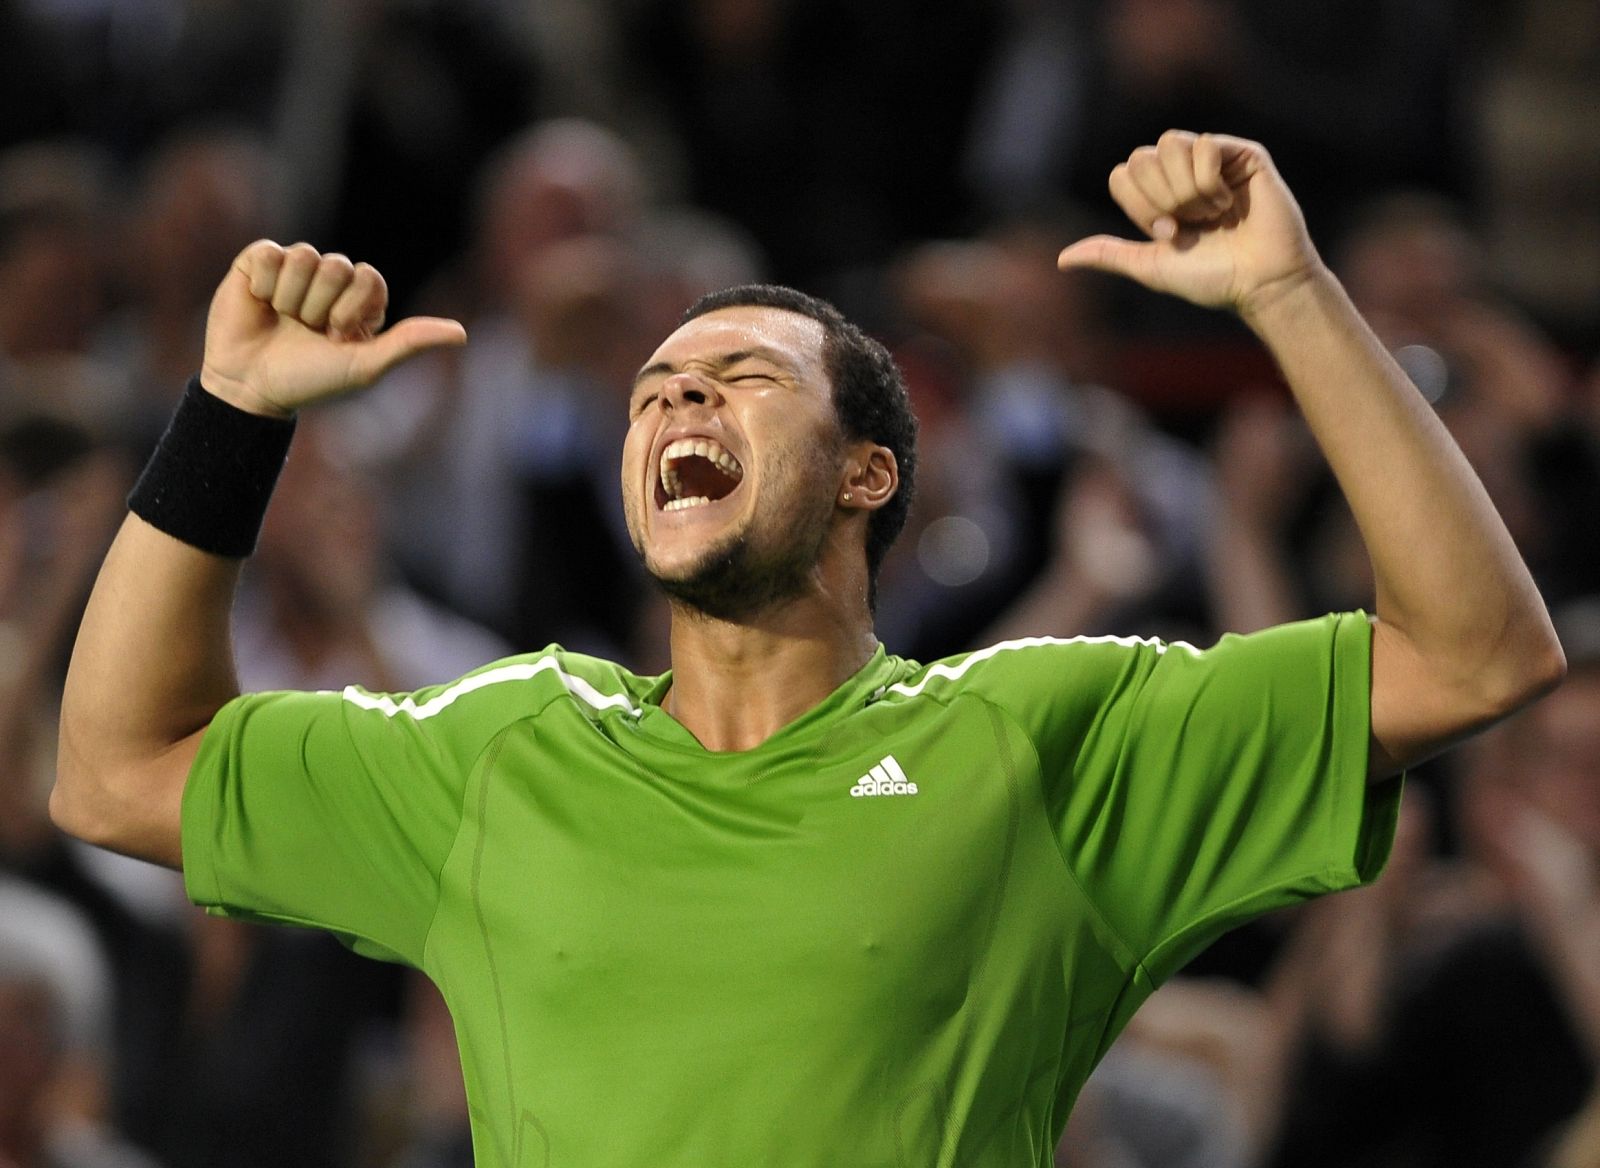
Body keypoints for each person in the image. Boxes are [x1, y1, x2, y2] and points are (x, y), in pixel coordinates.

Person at [51, 131, 1563, 1165]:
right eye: (652, 389)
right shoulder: (496, 749)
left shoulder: (1044, 736)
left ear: (867, 473)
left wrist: (1293, 299)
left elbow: (1478, 653)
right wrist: (231, 419)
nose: (677, 403)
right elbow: (120, 770)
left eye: (739, 378)